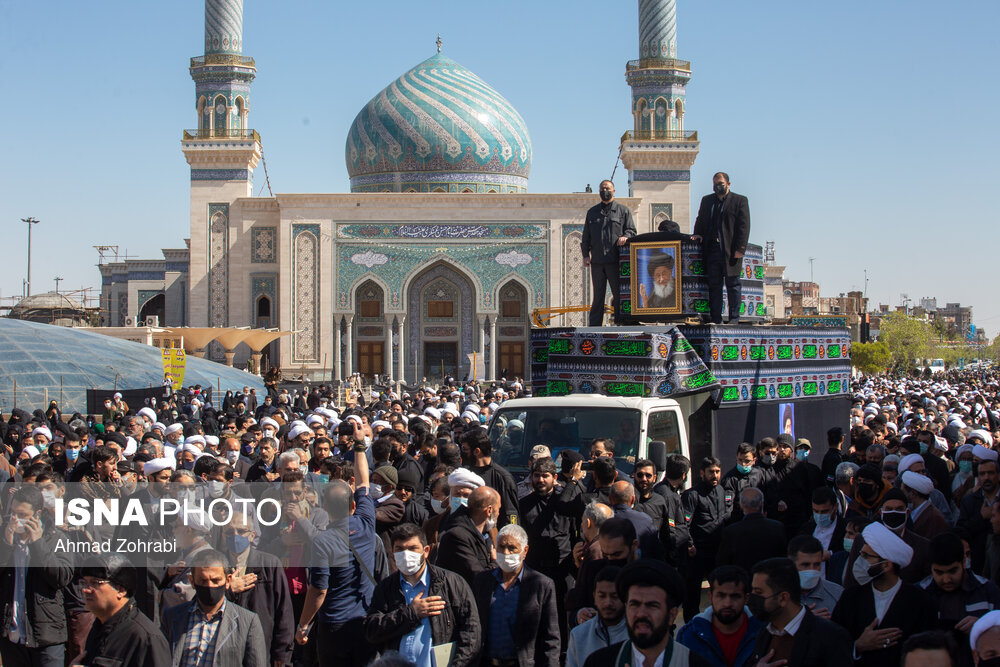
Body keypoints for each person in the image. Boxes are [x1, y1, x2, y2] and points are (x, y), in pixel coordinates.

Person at [296, 423, 377, 666]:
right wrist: (360, 444)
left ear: (323, 508)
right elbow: (363, 482)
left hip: (335, 625)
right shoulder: (365, 522)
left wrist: (303, 624)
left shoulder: (322, 541)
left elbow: (319, 590)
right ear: (353, 505)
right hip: (366, 619)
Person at [364, 523, 481, 666]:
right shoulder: (386, 588)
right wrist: (411, 613)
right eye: (399, 549)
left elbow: (471, 633)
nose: (406, 555)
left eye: (412, 548)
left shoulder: (451, 583)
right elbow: (372, 630)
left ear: (426, 551)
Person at [831, 522, 937, 667]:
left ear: (886, 565)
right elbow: (833, 645)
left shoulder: (920, 601)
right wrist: (858, 646)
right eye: (861, 554)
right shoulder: (850, 598)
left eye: (867, 556)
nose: (861, 561)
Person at [582, 560, 711, 667]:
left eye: (652, 606)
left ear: (671, 615)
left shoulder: (692, 664)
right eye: (635, 604)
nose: (641, 614)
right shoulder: (599, 663)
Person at [0, 485, 74, 667]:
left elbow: (61, 577)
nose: (15, 519)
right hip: (12, 636)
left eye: (22, 515)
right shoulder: (6, 538)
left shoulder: (57, 539)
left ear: (37, 514)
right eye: (13, 513)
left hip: (45, 636)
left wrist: (38, 544)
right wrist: (6, 547)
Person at [471, 524, 561, 666]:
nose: (506, 553)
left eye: (512, 548)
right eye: (501, 547)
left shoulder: (542, 585)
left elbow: (551, 639)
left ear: (524, 551)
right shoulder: (483, 581)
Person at [160, 549, 268, 667]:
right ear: (192, 581)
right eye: (203, 580)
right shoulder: (173, 617)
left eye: (215, 580)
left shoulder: (248, 622)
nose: (209, 585)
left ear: (228, 580)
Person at [748, 558, 853, 667]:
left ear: (783, 598)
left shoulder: (830, 637)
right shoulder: (764, 632)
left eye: (759, 592)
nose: (753, 598)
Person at [920, 532, 1000, 666]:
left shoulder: (988, 591)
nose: (946, 579)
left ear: (964, 562)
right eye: (939, 572)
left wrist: (981, 626)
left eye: (952, 571)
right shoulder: (920, 594)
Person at [76, 554, 171, 667]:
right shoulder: (98, 628)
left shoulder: (145, 638)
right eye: (85, 583)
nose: (85, 590)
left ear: (121, 590)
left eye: (95, 583)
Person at [690, 172, 750, 324]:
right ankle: (716, 318)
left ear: (728, 184)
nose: (718, 187)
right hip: (713, 249)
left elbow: (744, 226)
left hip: (730, 250)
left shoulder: (739, 201)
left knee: (733, 285)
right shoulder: (707, 201)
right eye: (715, 184)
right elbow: (700, 220)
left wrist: (740, 249)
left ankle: (734, 319)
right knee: (715, 285)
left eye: (721, 184)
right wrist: (697, 234)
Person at [677, 565, 763, 667]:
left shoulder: (763, 632)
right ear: (710, 596)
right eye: (721, 596)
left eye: (735, 596)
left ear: (746, 598)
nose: (727, 603)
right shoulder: (689, 635)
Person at [581, 179, 636, 326]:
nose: (605, 191)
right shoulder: (592, 213)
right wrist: (585, 255)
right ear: (599, 191)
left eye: (608, 188)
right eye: (603, 189)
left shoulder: (623, 211)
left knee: (619, 294)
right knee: (598, 295)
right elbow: (586, 237)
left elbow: (632, 230)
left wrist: (626, 236)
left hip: (615, 260)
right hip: (597, 262)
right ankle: (594, 325)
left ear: (614, 191)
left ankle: (621, 322)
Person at [683, 456, 731, 621]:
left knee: (720, 589)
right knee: (693, 594)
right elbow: (685, 524)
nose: (715, 475)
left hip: (717, 551)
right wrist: (690, 544)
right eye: (711, 472)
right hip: (698, 552)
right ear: (702, 473)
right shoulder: (692, 495)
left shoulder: (721, 491)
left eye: (718, 472)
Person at [566, 566, 628, 667]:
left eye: (614, 596)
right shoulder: (579, 635)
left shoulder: (635, 635)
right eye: (602, 596)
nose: (608, 603)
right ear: (594, 596)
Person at [435, 485, 500, 581]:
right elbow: (477, 577)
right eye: (498, 508)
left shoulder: (485, 535)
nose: (498, 513)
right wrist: (495, 563)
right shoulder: (457, 537)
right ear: (489, 510)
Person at [715, 487, 787, 574]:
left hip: (742, 581)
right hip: (770, 579)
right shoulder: (777, 527)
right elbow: (783, 557)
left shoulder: (731, 532)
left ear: (741, 505)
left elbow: (722, 563)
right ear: (762, 504)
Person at [787, 535, 843, 620]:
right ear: (791, 563)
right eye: (805, 565)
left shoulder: (837, 594)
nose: (812, 570)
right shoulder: (776, 594)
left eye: (817, 564)